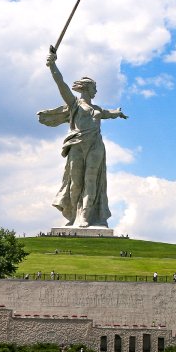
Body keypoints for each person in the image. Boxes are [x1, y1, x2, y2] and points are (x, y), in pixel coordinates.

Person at [39, 49, 128, 228]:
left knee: (91, 180)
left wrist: (117, 113)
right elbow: (61, 84)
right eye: (94, 88)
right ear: (87, 88)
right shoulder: (75, 104)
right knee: (75, 183)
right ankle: (74, 215)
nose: (96, 91)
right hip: (77, 144)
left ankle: (86, 216)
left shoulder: (97, 109)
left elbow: (108, 113)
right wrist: (52, 65)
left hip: (95, 145)